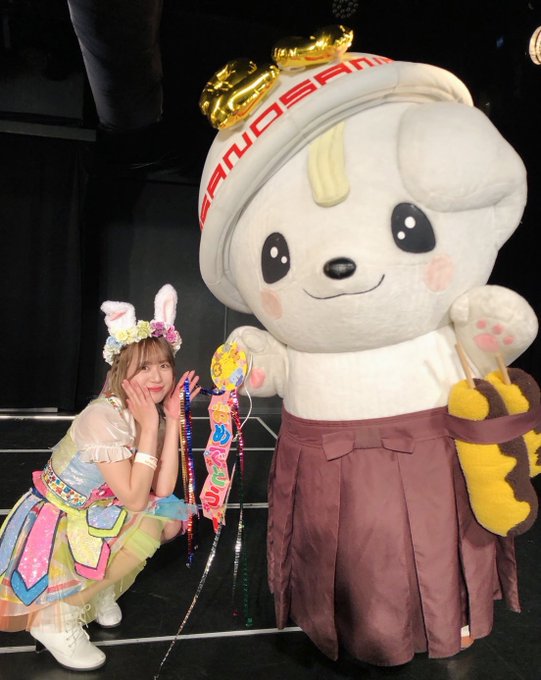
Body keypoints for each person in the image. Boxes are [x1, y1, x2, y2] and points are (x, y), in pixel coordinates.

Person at [0, 283, 199, 671]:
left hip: (99, 506)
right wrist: (149, 426)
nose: (157, 376)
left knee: (173, 514)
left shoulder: (145, 411)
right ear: (122, 371)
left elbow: (162, 490)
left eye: (163, 365)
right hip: (59, 517)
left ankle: (95, 591)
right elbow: (136, 499)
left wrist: (172, 419)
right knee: (151, 521)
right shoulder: (102, 416)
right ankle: (56, 619)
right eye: (144, 367)